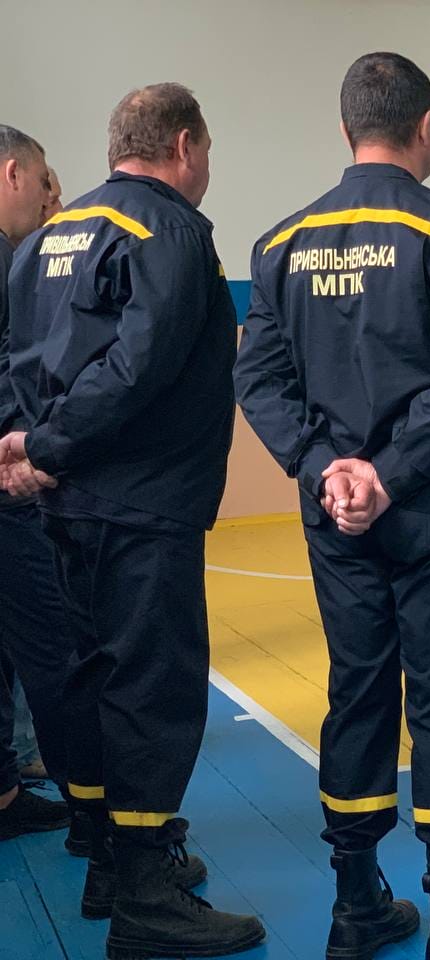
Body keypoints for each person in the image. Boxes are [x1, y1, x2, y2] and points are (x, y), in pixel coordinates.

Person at [235, 52, 430, 960]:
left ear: (345, 131)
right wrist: (392, 473)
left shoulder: (281, 243)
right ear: (428, 124)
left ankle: (356, 901)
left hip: (335, 517)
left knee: (356, 687)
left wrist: (329, 468)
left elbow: (258, 376)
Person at [1, 86, 264, 957]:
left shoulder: (46, 239)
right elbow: (139, 366)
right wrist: (55, 442)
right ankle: (149, 898)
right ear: (182, 144)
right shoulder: (174, 233)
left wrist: (38, 450)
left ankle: (111, 862)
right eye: (209, 151)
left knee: (84, 681)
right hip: (143, 507)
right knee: (152, 691)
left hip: (65, 506)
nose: (209, 170)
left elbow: (27, 363)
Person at [0, 123, 71, 843]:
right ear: (16, 174)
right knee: (51, 645)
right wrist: (30, 450)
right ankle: (99, 816)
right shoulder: (10, 264)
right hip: (8, 490)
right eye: (41, 181)